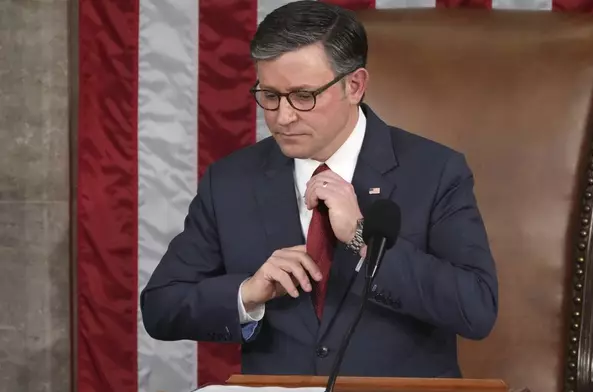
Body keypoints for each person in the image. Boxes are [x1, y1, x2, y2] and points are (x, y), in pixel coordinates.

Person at [140, 1, 498, 378]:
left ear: (354, 85)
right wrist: (247, 294)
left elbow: (476, 309)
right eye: (270, 96)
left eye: (303, 96)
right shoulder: (230, 181)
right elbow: (161, 307)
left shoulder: (435, 171)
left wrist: (362, 237)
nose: (283, 117)